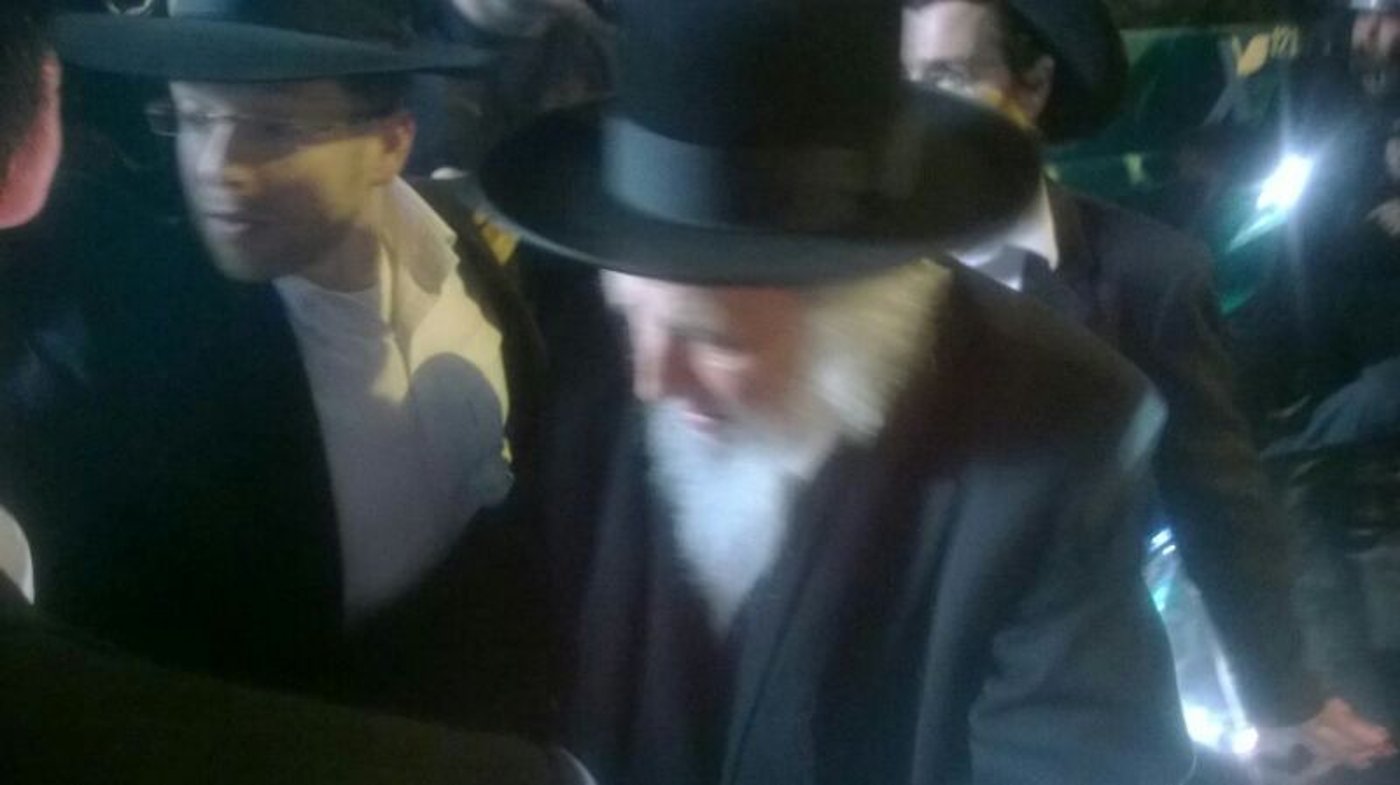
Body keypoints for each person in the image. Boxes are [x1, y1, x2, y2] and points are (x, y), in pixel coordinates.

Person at [481, 1, 1195, 782]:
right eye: (631, 316)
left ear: (852, 311)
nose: (652, 379)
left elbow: (1074, 759)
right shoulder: (573, 339)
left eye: (714, 340)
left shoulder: (1060, 434)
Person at [0, 4, 586, 783]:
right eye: (194, 117)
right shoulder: (113, 349)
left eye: (273, 128)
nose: (218, 166)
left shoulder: (469, 257)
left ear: (391, 142)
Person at [901, 0, 1396, 772]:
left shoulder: (1146, 275)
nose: (915, 111)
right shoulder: (846, 269)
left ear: (1034, 84)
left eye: (949, 77)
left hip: (1071, 725)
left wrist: (1281, 691)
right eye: (900, 81)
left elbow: (1217, 500)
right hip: (891, 707)